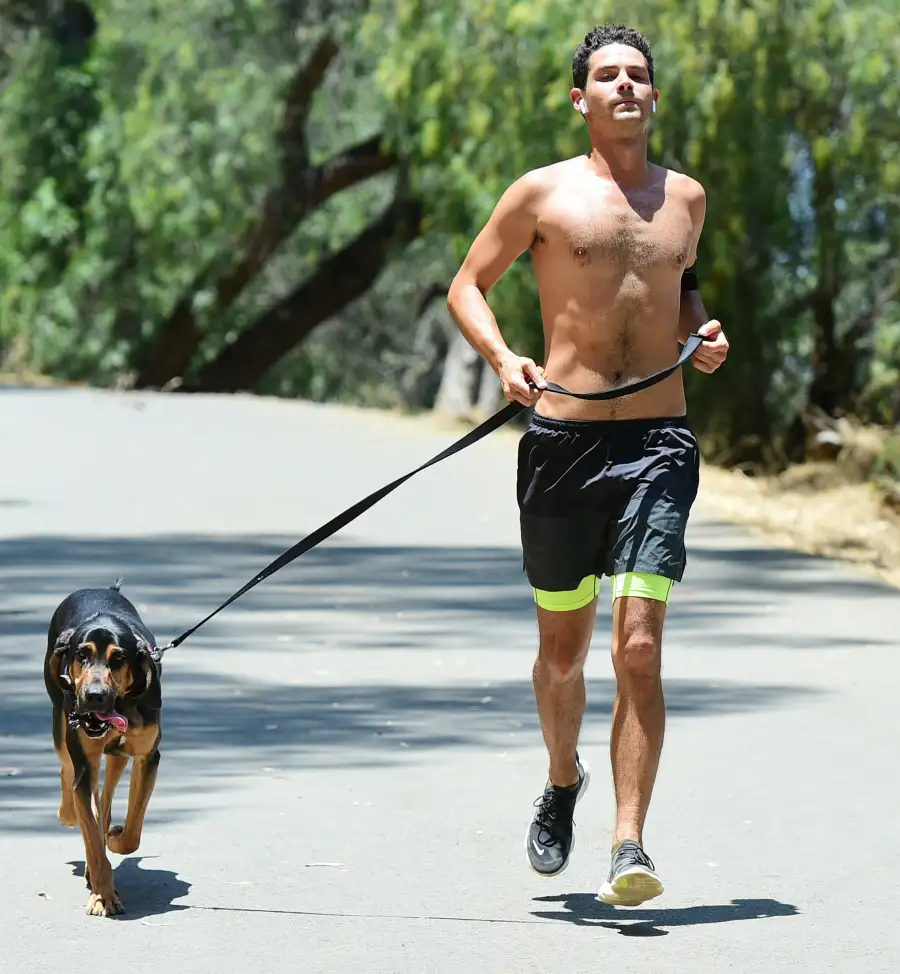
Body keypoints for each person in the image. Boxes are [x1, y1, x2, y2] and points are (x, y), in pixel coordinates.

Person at [446, 23, 730, 906]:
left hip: (658, 445)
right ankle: (564, 778)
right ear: (581, 98)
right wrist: (504, 362)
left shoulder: (687, 198)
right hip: (563, 445)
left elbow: (679, 294)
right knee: (562, 656)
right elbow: (466, 285)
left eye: (638, 76)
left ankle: (628, 844)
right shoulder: (541, 194)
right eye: (607, 76)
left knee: (637, 647)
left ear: (654, 95)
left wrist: (702, 336)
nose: (625, 87)